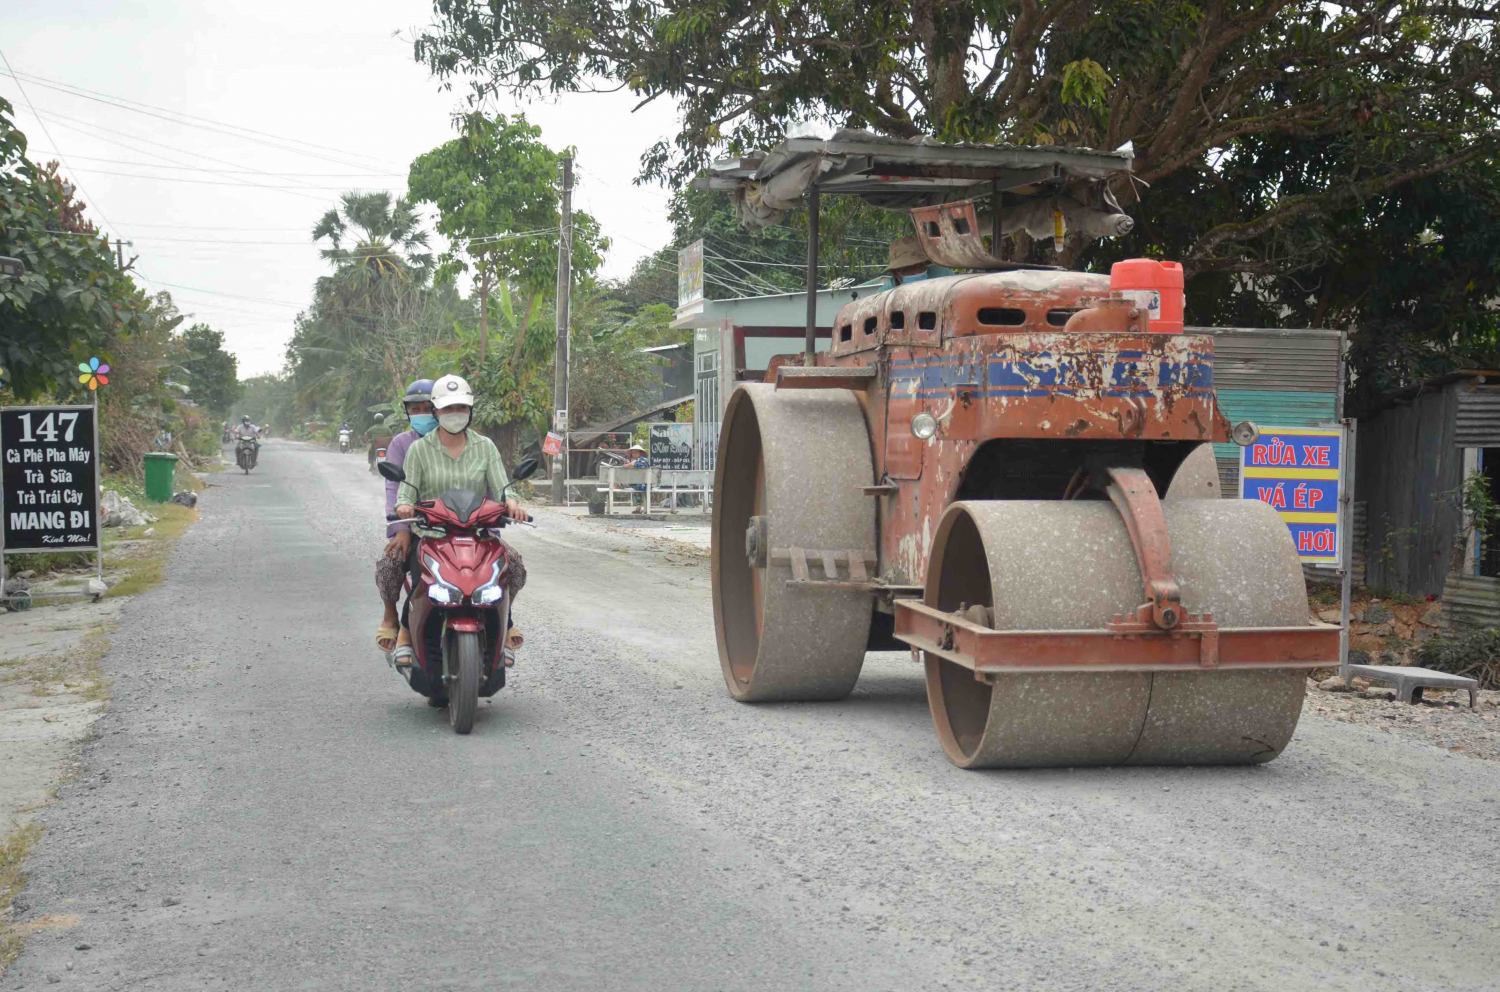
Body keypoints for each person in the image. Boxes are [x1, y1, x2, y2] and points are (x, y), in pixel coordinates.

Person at [393, 374, 529, 688]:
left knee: (513, 568)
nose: (456, 412)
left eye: (462, 406)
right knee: (412, 574)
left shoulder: (485, 447)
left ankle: (504, 625)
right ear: (437, 410)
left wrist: (513, 503)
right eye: (449, 407)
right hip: (433, 537)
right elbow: (406, 492)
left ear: (470, 410)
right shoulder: (419, 451)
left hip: (480, 536)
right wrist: (404, 507)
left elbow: (503, 488)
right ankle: (403, 631)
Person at [373, 379, 435, 660]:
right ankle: (390, 616)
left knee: (506, 563)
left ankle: (503, 620)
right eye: (416, 409)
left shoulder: (464, 441)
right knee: (391, 562)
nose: (422, 414)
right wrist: (401, 528)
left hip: (459, 523)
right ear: (408, 412)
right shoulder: (401, 443)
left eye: (428, 408)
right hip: (416, 522)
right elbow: (393, 487)